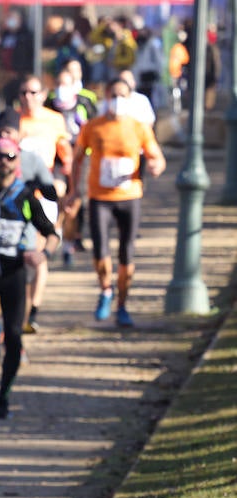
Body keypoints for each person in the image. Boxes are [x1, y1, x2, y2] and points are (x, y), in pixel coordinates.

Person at [68, 79, 166, 328]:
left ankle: (122, 305)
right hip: (100, 197)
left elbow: (157, 157)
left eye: (122, 95)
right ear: (106, 97)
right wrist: (73, 191)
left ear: (129, 97)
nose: (117, 100)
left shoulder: (139, 127)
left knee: (126, 252)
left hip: (129, 196)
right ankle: (105, 289)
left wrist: (155, 166)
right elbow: (77, 159)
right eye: (113, 95)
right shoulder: (92, 127)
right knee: (100, 250)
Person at [0, 139, 58, 418]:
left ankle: (3, 398)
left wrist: (42, 255)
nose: (4, 162)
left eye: (10, 156)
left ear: (17, 162)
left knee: (15, 337)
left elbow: (51, 233)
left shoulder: (24, 196)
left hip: (14, 273)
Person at [14, 77, 72, 332]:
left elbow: (66, 157)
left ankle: (32, 310)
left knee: (38, 252)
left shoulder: (54, 120)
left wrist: (62, 185)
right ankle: (19, 308)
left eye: (33, 92)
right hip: (17, 194)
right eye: (24, 92)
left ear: (43, 94)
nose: (28, 96)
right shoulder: (13, 120)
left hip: (44, 193)